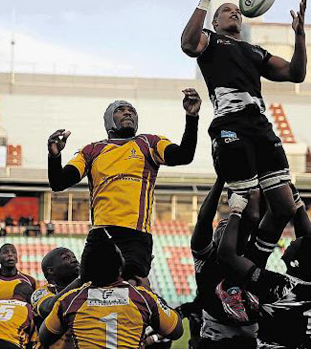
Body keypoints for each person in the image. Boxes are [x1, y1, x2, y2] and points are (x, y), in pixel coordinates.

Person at [181, 0, 308, 270]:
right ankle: (229, 266)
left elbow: (295, 73)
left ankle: (251, 266)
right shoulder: (210, 41)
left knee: (284, 207)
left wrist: (300, 36)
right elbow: (187, 44)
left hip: (260, 126)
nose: (234, 12)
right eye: (226, 10)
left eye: (236, 10)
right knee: (249, 212)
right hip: (230, 124)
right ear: (215, 20)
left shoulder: (255, 51)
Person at [48, 89, 201, 283]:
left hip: (135, 235)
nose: (128, 113)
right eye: (120, 110)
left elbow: (183, 156)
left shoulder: (149, 142)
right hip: (101, 233)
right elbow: (59, 182)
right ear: (109, 120)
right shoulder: (91, 150)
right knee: (89, 288)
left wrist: (192, 117)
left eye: (132, 111)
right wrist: (54, 156)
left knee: (130, 288)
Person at [217, 193, 311, 349]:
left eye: (293, 245)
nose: (291, 241)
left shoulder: (279, 286)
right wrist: (297, 204)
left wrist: (236, 210)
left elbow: (226, 255)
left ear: (295, 262)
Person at [39, 237, 183, 348]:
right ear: (120, 268)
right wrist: (149, 291)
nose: (73, 260)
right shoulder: (141, 296)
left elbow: (45, 337)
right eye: (66, 258)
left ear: (86, 269)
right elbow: (175, 331)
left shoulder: (69, 300)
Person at [190, 179, 260, 348]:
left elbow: (253, 219)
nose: (227, 229)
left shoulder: (247, 256)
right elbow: (204, 221)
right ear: (214, 240)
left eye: (231, 228)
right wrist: (220, 181)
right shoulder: (206, 258)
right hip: (215, 341)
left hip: (248, 341)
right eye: (222, 226)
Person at [31, 247, 81, 348]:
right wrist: (80, 280)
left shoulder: (85, 289)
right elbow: (47, 309)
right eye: (66, 258)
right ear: (51, 271)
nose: (74, 260)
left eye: (74, 257)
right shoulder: (41, 292)